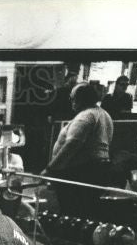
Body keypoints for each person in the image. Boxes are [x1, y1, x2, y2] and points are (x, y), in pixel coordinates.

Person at [43, 82, 116, 218]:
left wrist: (50, 168)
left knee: (72, 212)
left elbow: (72, 145)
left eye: (72, 98)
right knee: (87, 211)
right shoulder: (103, 114)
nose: (71, 101)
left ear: (81, 99)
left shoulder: (86, 116)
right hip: (97, 169)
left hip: (80, 170)